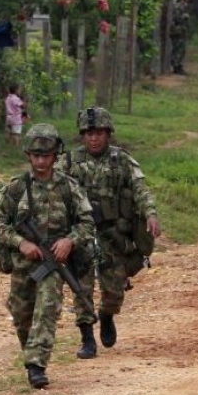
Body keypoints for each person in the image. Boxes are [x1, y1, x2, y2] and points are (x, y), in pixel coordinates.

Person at [0, 123, 95, 389]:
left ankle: (36, 364)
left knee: (48, 306)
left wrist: (69, 241)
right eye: (36, 155)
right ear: (28, 155)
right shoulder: (15, 189)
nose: (40, 161)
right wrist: (20, 242)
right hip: (23, 264)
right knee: (21, 313)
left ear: (55, 156)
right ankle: (31, 352)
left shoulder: (69, 188)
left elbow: (86, 223)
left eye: (46, 156)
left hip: (54, 264)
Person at [64, 107, 161, 359]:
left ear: (108, 134)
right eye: (88, 133)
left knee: (114, 290)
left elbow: (141, 189)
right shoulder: (70, 162)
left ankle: (107, 315)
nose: (93, 138)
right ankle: (87, 338)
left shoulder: (122, 160)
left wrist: (150, 213)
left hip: (113, 235)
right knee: (81, 287)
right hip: (80, 235)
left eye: (98, 133)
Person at [169, 0, 191, 75]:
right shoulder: (179, 5)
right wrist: (185, 17)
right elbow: (178, 18)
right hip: (178, 31)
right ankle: (176, 66)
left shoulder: (179, 5)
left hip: (179, 31)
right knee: (179, 49)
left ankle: (177, 65)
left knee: (179, 49)